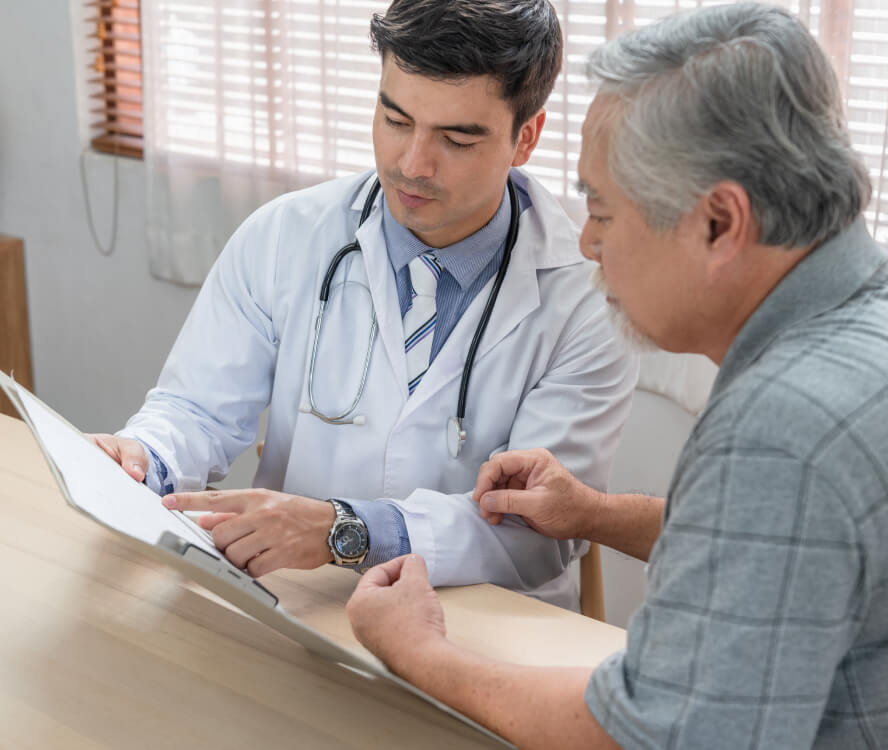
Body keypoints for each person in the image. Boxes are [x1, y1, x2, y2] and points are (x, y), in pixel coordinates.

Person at [346, 3, 888, 748]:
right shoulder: (872, 324)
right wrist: (594, 515)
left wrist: (417, 651)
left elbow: (650, 736)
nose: (588, 241)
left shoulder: (781, 428)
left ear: (719, 223)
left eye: (604, 210)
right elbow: (785, 543)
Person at [90, 0, 637, 609]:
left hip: (486, 634)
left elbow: (534, 535)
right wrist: (144, 457)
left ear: (525, 138)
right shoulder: (285, 235)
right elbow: (197, 412)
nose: (411, 165)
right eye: (395, 119)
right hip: (296, 609)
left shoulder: (591, 298)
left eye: (456, 138)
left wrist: (343, 531)